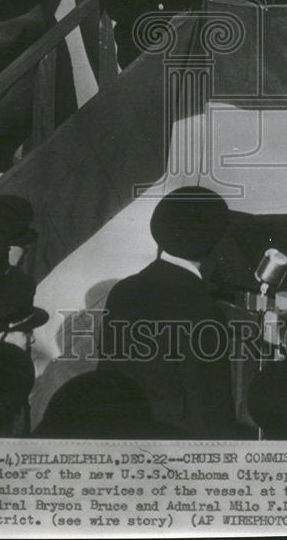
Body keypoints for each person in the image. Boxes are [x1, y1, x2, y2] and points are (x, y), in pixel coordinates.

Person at [97, 186, 240, 439]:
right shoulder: (202, 311)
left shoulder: (123, 291)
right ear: (217, 243)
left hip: (122, 437)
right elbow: (212, 414)